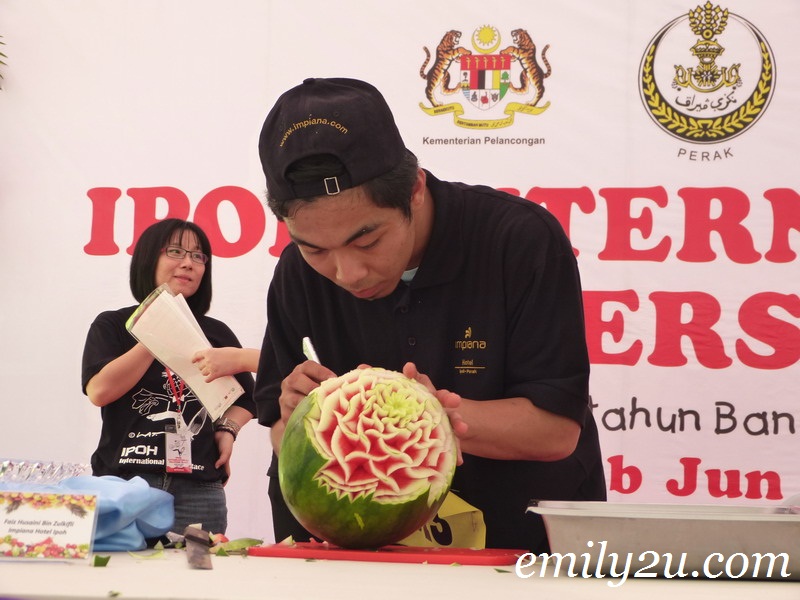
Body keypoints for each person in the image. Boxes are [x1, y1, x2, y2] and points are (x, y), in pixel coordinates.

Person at [253, 77, 606, 552]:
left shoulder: (518, 240)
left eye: (367, 241)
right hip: (352, 552)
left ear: (415, 189)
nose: (347, 273)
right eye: (315, 249)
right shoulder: (297, 274)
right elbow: (279, 429)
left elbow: (557, 430)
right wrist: (301, 420)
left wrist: (428, 417)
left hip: (516, 545)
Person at [81, 218, 257, 535]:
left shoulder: (215, 332)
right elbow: (100, 391)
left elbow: (249, 397)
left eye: (198, 256)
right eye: (175, 251)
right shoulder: (113, 325)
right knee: (119, 566)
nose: (188, 263)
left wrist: (227, 429)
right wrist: (158, 327)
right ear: (149, 259)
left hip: (199, 489)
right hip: (126, 483)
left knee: (199, 566)